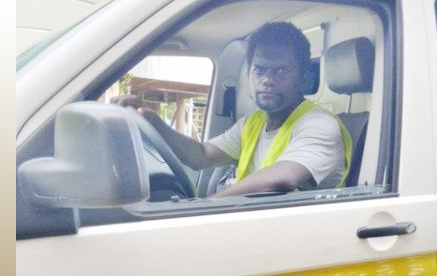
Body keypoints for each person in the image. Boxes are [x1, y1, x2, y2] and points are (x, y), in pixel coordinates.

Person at [120, 22, 352, 197]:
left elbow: (283, 178)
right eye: (260, 69)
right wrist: (155, 123)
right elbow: (201, 156)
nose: (267, 80)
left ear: (303, 79)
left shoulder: (320, 124)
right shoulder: (253, 123)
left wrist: (211, 204)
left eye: (281, 71)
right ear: (249, 74)